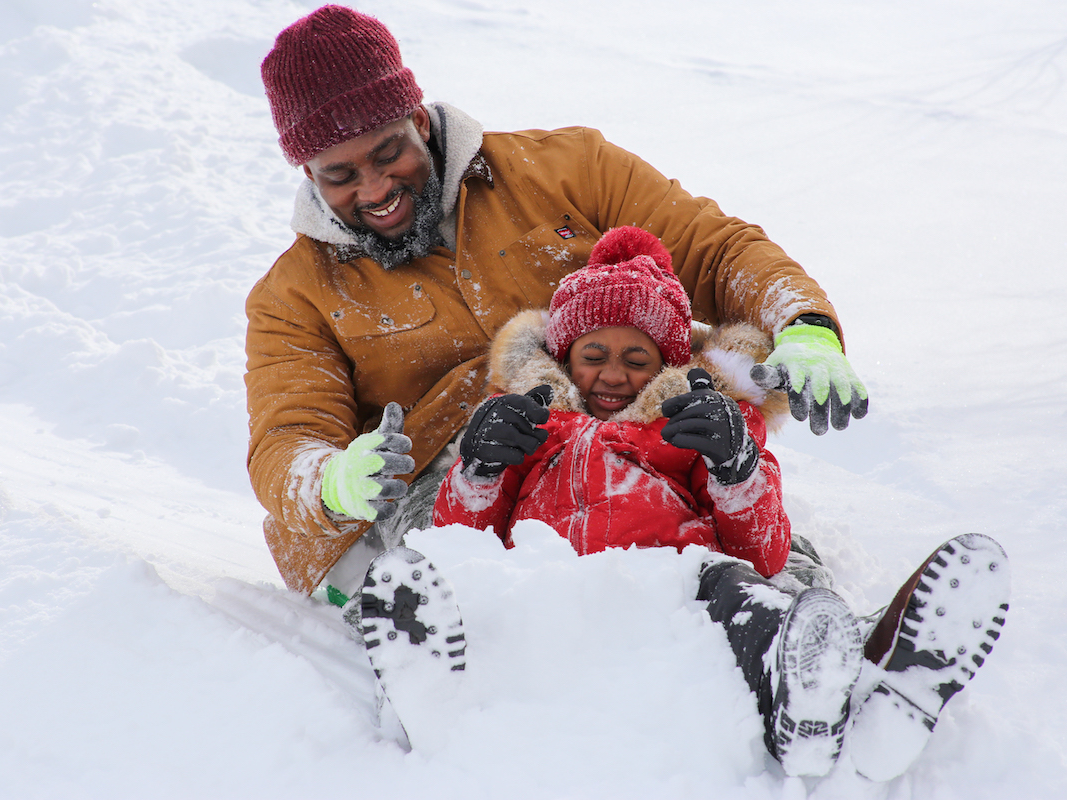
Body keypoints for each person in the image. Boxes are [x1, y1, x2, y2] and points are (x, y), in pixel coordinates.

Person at [245, 5, 868, 607]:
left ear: (419, 121)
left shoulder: (565, 170)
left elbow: (716, 250)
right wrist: (333, 481)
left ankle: (821, 639)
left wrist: (805, 326)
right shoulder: (294, 295)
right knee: (462, 575)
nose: (376, 188)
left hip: (613, 424)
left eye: (388, 154)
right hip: (444, 480)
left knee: (732, 524)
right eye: (340, 176)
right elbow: (289, 438)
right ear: (309, 174)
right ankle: (440, 644)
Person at [430, 227, 1011, 780]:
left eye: (637, 360)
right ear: (562, 356)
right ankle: (428, 674)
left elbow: (764, 552)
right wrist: (478, 469)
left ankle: (804, 689)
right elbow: (460, 542)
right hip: (546, 594)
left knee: (741, 593)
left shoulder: (693, 420)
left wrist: (735, 468)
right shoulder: (531, 421)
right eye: (594, 354)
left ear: (667, 365)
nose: (613, 374)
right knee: (476, 595)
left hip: (680, 591)